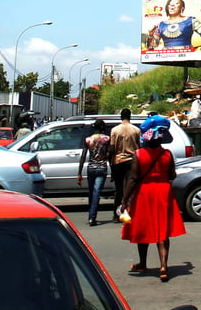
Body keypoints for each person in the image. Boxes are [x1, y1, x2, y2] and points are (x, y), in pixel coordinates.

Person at [121, 126, 186, 282]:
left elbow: (134, 178)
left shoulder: (139, 154)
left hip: (145, 193)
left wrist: (125, 200)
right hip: (163, 192)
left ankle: (142, 263)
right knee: (162, 230)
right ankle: (163, 266)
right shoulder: (167, 154)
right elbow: (172, 175)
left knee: (143, 228)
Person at [77, 119, 112, 226]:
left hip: (91, 168)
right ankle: (92, 216)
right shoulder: (106, 139)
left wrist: (79, 172)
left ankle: (91, 215)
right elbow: (109, 155)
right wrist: (113, 170)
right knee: (97, 192)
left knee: (91, 192)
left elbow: (83, 155)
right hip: (102, 168)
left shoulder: (88, 139)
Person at [109, 108, 141, 221]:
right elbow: (139, 147)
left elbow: (112, 148)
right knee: (130, 188)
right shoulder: (136, 130)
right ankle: (131, 212)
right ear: (130, 116)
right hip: (132, 161)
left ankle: (116, 215)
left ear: (121, 117)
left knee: (118, 189)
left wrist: (111, 163)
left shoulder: (115, 130)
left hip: (118, 161)